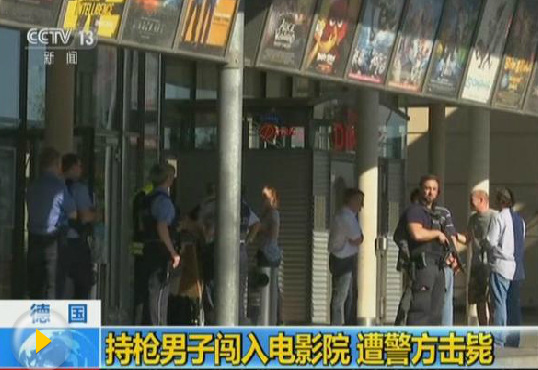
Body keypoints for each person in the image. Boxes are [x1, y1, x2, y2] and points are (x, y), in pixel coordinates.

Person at [26, 147, 76, 299]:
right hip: (53, 241)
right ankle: (51, 320)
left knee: (35, 284)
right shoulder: (59, 187)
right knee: (53, 285)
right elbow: (73, 213)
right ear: (55, 164)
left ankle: (35, 319)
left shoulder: (32, 187)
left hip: (33, 240)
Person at [405, 175, 451, 326]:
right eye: (427, 188)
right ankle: (415, 345)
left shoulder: (438, 214)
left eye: (434, 189)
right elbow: (417, 233)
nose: (430, 192)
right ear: (420, 190)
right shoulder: (415, 211)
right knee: (421, 308)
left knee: (436, 311)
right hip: (423, 265)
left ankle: (432, 346)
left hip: (438, 265)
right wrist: (437, 234)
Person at [141, 163, 181, 325]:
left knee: (151, 293)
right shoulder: (163, 201)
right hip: (160, 252)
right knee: (159, 295)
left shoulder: (146, 199)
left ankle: (152, 330)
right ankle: (158, 333)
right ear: (168, 179)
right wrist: (173, 253)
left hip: (148, 250)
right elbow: (162, 228)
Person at [483, 187, 516, 346]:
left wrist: (484, 243)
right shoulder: (515, 219)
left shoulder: (499, 217)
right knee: (507, 302)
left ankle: (498, 339)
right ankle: (506, 336)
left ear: (500, 201)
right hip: (512, 266)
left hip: (499, 264)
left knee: (498, 303)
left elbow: (490, 241)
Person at [61, 153, 96, 299]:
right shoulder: (79, 189)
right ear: (74, 167)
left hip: (58, 240)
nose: (81, 169)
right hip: (76, 243)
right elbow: (85, 216)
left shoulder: (59, 186)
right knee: (83, 285)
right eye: (79, 166)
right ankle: (79, 319)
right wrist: (99, 215)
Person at [328, 188, 364, 325]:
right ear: (350, 200)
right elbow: (358, 238)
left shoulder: (346, 216)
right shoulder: (346, 217)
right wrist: (359, 238)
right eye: (359, 201)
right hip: (343, 259)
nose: (361, 206)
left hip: (343, 257)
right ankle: (336, 326)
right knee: (341, 296)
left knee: (349, 295)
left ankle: (348, 324)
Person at [467, 189, 497, 326]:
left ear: (481, 200)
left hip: (491, 265)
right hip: (477, 265)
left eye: (472, 199)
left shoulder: (495, 217)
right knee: (479, 300)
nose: (469, 203)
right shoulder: (472, 219)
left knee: (492, 301)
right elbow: (468, 239)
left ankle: (493, 328)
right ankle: (483, 328)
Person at [393, 188, 420, 326]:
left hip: (420, 260)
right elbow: (399, 236)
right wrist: (407, 254)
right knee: (410, 289)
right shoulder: (408, 216)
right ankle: (402, 320)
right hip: (411, 260)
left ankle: (407, 320)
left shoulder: (426, 214)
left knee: (415, 290)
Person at [257, 186, 283, 325]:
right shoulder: (266, 214)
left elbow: (273, 233)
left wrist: (260, 229)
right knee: (270, 285)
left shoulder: (273, 214)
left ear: (272, 199)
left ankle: (276, 317)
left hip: (269, 253)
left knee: (270, 284)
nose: (263, 201)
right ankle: (273, 316)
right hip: (265, 251)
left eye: (265, 198)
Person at [132, 182, 154, 324]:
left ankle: (139, 321)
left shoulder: (140, 195)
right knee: (145, 289)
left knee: (142, 289)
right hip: (146, 249)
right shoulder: (147, 196)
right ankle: (141, 321)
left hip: (140, 248)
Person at [239, 186, 261, 324]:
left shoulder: (224, 203)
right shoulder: (245, 207)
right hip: (241, 248)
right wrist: (248, 240)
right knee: (240, 289)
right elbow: (257, 223)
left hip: (225, 251)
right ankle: (240, 320)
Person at [506, 188, 525, 347]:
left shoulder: (502, 218)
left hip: (506, 269)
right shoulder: (521, 220)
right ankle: (514, 339)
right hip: (518, 269)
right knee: (514, 306)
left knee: (503, 306)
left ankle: (504, 339)